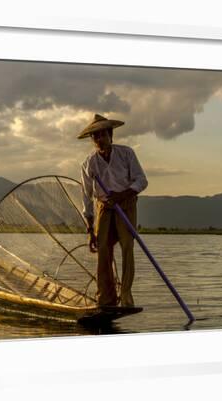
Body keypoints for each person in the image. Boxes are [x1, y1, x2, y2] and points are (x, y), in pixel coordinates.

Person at [78, 114, 148, 307]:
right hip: (104, 207)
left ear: (110, 135)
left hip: (126, 203)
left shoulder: (126, 154)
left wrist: (122, 195)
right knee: (103, 250)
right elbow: (86, 195)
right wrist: (89, 226)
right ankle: (106, 299)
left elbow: (141, 181)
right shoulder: (89, 163)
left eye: (102, 135)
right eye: (95, 137)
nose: (99, 139)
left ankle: (125, 296)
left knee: (127, 247)